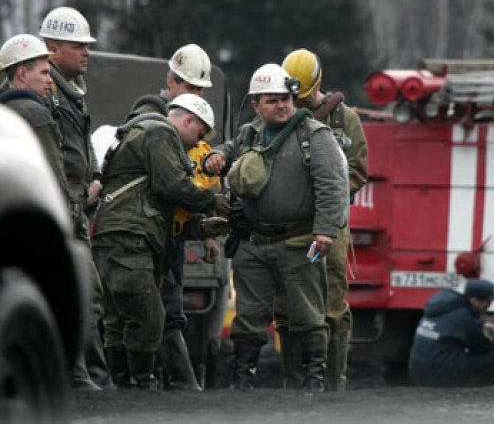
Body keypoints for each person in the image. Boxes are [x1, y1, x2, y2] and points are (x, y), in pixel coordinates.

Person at [203, 63, 348, 392]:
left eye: (285, 98)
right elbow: (230, 149)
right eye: (271, 100)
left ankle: (313, 384)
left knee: (308, 317)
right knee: (248, 319)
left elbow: (332, 185)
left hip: (300, 242)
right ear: (256, 105)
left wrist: (326, 230)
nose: (281, 105)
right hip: (253, 244)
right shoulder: (249, 134)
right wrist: (215, 155)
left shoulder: (314, 134)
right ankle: (243, 383)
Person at [92, 93, 217, 389]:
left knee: (119, 319)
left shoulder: (128, 135)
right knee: (148, 314)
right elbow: (172, 185)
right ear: (188, 120)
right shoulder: (159, 132)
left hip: (111, 235)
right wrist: (213, 200)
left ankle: (124, 387)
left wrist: (201, 228)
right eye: (197, 136)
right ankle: (140, 387)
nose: (196, 146)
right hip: (131, 237)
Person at [126, 43, 224, 390]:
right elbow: (170, 184)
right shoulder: (152, 120)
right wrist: (211, 205)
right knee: (156, 306)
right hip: (150, 228)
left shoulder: (188, 127)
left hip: (176, 231)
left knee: (169, 306)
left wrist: (207, 234)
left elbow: (195, 175)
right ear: (170, 82)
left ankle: (168, 382)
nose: (197, 95)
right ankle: (171, 382)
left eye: (200, 89)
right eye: (189, 86)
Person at [280, 48, 368, 391]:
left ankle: (333, 386)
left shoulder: (346, 120)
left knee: (332, 303)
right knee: (286, 304)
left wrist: (328, 205)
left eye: (301, 97)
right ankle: (293, 382)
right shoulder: (280, 113)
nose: (296, 103)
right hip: (289, 225)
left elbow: (358, 170)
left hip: (331, 225)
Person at [39, 6, 108, 390]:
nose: (86, 52)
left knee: (87, 293)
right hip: (65, 208)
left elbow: (81, 147)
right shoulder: (49, 99)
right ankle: (82, 378)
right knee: (79, 293)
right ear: (52, 49)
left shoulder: (72, 94)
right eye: (77, 45)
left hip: (78, 205)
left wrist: (95, 176)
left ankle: (86, 376)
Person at [0, 34, 68, 199]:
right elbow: (54, 177)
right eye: (44, 73)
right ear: (22, 74)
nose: (50, 80)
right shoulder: (36, 114)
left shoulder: (5, 112)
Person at [408, 279, 494, 387]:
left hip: (416, 371)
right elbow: (482, 348)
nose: (488, 306)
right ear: (474, 300)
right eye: (487, 302)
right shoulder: (465, 316)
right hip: (439, 376)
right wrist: (490, 332)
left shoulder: (439, 308)